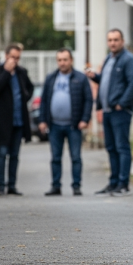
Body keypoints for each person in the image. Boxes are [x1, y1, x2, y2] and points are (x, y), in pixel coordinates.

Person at [86, 29, 133, 197]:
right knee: (111, 148)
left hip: (120, 111)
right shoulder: (109, 58)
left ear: (122, 41)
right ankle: (114, 182)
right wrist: (95, 76)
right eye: (110, 40)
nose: (113, 43)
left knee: (122, 147)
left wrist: (121, 104)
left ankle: (123, 184)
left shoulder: (128, 59)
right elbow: (106, 81)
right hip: (108, 110)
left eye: (116, 40)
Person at [39, 48, 93, 196]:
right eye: (59, 60)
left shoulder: (80, 78)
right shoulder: (51, 78)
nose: (62, 63)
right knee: (55, 158)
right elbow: (44, 101)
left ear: (71, 61)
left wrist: (85, 119)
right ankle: (55, 186)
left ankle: (76, 186)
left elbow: (88, 100)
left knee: (75, 157)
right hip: (54, 125)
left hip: (74, 125)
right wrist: (42, 120)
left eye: (65, 60)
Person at [0, 43, 34, 197]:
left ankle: (12, 185)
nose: (15, 60)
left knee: (14, 155)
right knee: (1, 154)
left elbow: (30, 88)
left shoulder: (22, 72)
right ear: (6, 55)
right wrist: (6, 72)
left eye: (18, 58)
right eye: (12, 57)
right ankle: (0, 186)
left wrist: (24, 97)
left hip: (18, 120)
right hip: (2, 122)